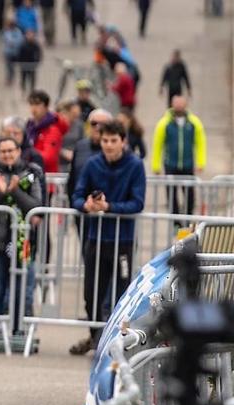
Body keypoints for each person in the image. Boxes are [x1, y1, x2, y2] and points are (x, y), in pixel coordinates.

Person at [71, 119, 145, 351]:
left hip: (122, 240)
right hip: (96, 237)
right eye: (105, 140)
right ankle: (96, 337)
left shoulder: (135, 165)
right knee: (92, 291)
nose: (109, 145)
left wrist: (109, 207)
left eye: (114, 141)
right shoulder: (93, 164)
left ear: (123, 141)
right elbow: (77, 195)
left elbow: (137, 203)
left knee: (122, 293)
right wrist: (87, 205)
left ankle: (119, 339)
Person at [0, 137, 44, 335]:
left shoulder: (30, 174)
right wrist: (0, 192)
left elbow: (37, 206)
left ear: (18, 151)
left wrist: (16, 192)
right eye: (3, 151)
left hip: (21, 241)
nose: (7, 155)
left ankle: (17, 329)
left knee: (20, 286)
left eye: (11, 150)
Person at [66, 108, 112, 355]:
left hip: (114, 226)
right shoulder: (81, 148)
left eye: (103, 124)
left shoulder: (118, 152)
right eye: (93, 123)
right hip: (87, 223)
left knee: (113, 282)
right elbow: (73, 184)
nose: (98, 128)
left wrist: (108, 206)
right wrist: (80, 207)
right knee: (92, 281)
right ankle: (94, 334)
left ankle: (109, 333)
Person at [151, 95, 207, 218]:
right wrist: (156, 165)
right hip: (170, 164)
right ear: (172, 104)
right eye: (176, 103)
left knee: (190, 195)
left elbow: (200, 142)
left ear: (186, 104)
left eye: (181, 103)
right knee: (171, 194)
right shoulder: (164, 123)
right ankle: (175, 221)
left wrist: (201, 162)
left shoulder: (194, 122)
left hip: (187, 164)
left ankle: (187, 219)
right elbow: (157, 144)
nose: (179, 106)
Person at [25, 90, 68, 176]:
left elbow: (48, 158)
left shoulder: (53, 130)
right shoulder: (29, 127)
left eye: (37, 104)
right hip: (31, 176)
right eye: (31, 104)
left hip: (46, 179)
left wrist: (26, 155)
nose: (33, 108)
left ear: (46, 106)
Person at [57, 99, 84, 172]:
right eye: (73, 113)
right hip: (60, 162)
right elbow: (53, 144)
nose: (76, 115)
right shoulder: (57, 125)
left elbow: (82, 141)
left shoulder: (79, 125)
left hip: (75, 160)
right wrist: (63, 152)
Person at [16, 30, 42, 95]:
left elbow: (39, 54)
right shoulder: (23, 44)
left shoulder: (35, 44)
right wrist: (20, 62)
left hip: (32, 65)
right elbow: (19, 54)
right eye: (29, 35)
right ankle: (23, 91)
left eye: (31, 35)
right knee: (23, 79)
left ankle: (32, 91)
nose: (30, 37)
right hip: (24, 65)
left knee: (32, 79)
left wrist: (37, 62)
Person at [1, 19, 24, 87]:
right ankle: (8, 79)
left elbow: (19, 41)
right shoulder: (6, 31)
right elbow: (4, 39)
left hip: (15, 53)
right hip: (8, 52)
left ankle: (12, 79)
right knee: (8, 67)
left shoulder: (18, 32)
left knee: (13, 67)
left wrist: (12, 42)